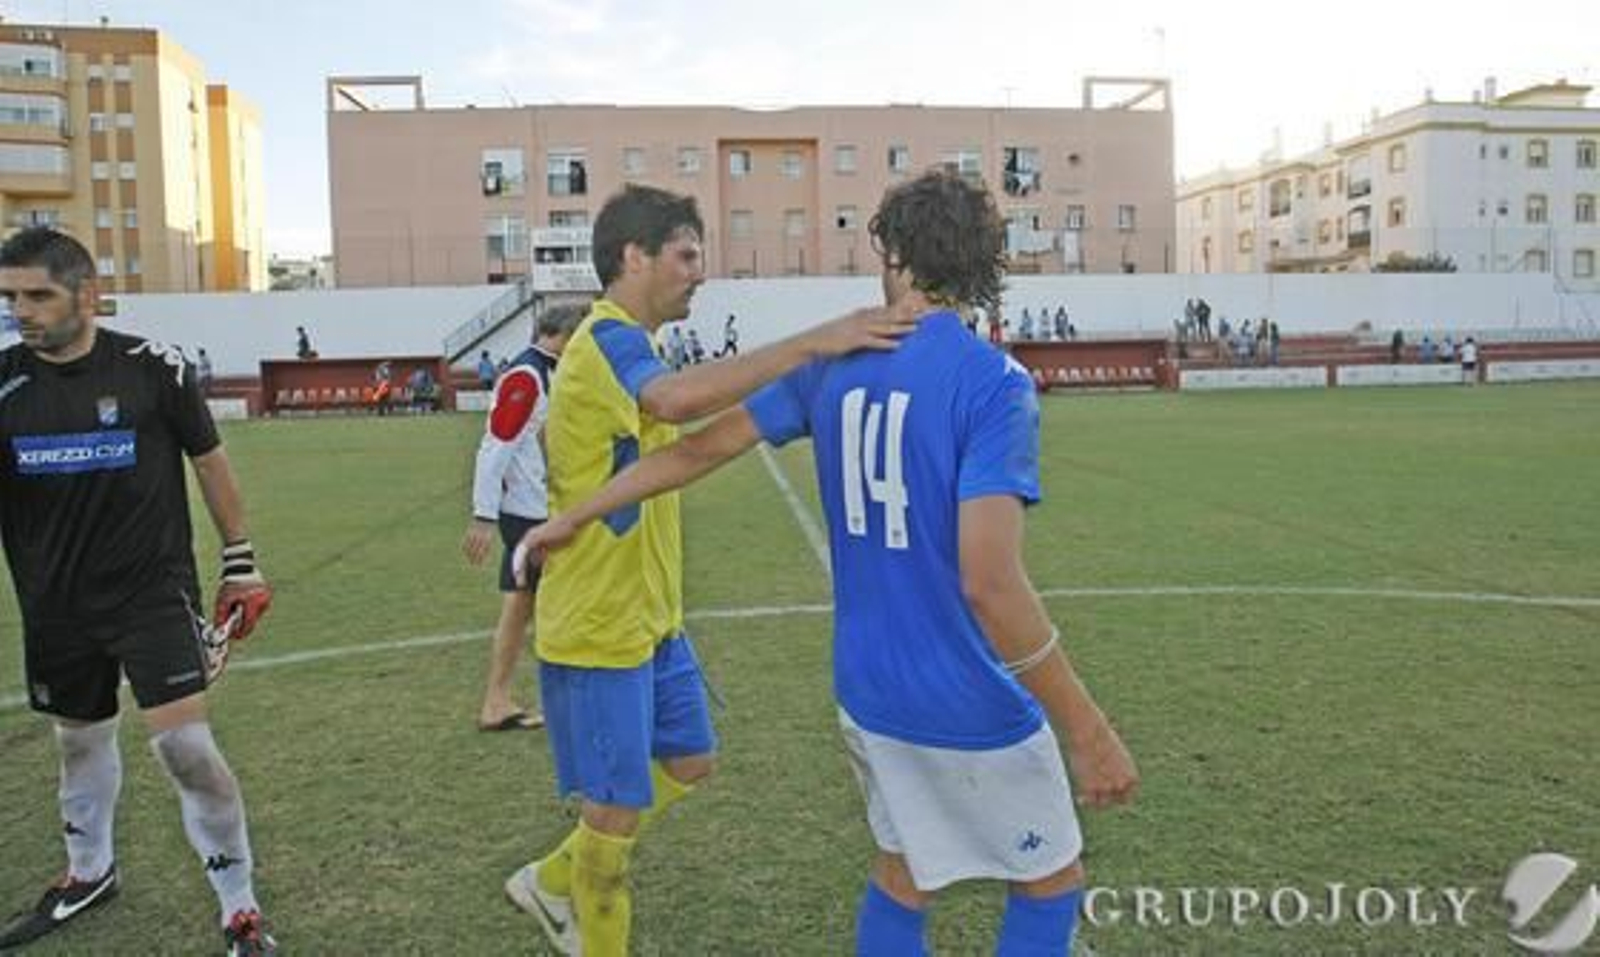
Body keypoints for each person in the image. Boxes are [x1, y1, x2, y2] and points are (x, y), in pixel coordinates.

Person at [517, 170, 1138, 956]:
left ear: (898, 255)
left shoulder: (834, 364)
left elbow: (696, 451)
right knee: (1051, 883)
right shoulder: (994, 382)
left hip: (866, 690)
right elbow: (989, 580)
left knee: (904, 875)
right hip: (963, 692)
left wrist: (571, 514)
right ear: (982, 263)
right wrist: (1087, 728)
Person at [499, 183, 915, 957]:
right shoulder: (609, 338)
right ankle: (584, 915)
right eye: (687, 255)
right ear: (635, 256)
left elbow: (689, 439)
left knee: (691, 759)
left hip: (651, 615)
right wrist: (816, 339)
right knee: (613, 821)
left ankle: (552, 879)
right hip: (599, 626)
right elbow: (679, 400)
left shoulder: (632, 344)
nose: (700, 272)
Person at [0, 228, 277, 954]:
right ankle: (89, 871)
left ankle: (239, 903)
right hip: (54, 605)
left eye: (38, 295)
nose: (21, 311)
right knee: (78, 741)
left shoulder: (153, 368)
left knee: (186, 747)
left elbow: (211, 463)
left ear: (87, 294)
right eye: (10, 297)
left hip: (151, 596)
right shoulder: (3, 383)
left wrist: (240, 560)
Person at [461, 303, 587, 732]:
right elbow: (495, 446)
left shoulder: (546, 372)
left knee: (526, 604)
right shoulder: (526, 375)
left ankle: (499, 700)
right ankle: (506, 700)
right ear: (565, 333)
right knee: (539, 603)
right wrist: (483, 515)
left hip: (538, 511)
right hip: (527, 515)